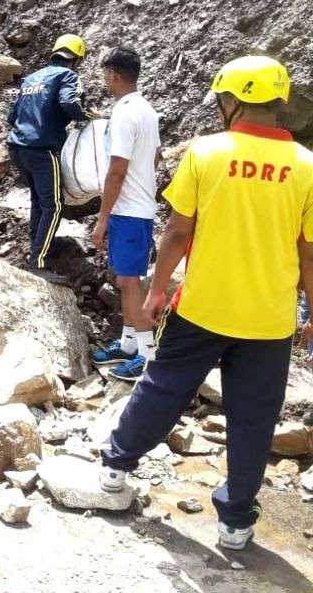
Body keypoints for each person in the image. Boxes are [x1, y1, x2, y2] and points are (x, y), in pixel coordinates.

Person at [100, 56, 313, 552]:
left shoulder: (206, 152)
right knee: (255, 416)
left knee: (162, 388)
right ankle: (236, 522)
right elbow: (309, 251)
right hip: (268, 318)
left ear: (232, 100)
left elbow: (177, 229)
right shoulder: (307, 166)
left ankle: (115, 469)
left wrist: (156, 290)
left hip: (202, 307)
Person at [90, 48, 161, 382]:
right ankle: (129, 344)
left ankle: (147, 355)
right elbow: (156, 157)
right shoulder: (146, 110)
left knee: (130, 283)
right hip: (140, 207)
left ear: (113, 75)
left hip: (127, 210)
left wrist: (103, 217)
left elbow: (116, 171)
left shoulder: (123, 114)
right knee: (124, 278)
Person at [6, 34, 91, 284]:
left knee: (38, 201)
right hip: (43, 149)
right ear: (75, 59)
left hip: (18, 147)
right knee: (54, 206)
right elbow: (68, 102)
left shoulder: (31, 78)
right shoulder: (67, 76)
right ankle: (38, 262)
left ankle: (38, 248)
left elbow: (12, 116)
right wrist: (84, 117)